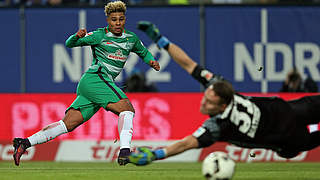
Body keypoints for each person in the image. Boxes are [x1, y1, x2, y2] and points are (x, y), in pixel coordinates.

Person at [127, 21, 320, 165]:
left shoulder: (219, 125)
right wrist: (161, 40)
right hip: (289, 138)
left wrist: (155, 155)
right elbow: (188, 63)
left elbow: (186, 144)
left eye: (210, 102)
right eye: (206, 97)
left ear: (223, 106)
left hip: (292, 111)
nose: (203, 103)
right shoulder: (218, 85)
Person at [12, 1, 160, 166]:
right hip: (96, 77)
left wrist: (151, 61)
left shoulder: (131, 38)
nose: (117, 23)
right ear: (107, 20)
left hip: (93, 85)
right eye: (113, 19)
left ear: (125, 19)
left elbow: (143, 51)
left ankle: (24, 143)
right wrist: (77, 37)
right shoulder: (99, 35)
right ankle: (125, 151)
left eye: (121, 19)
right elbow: (70, 44)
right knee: (127, 109)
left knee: (66, 124)